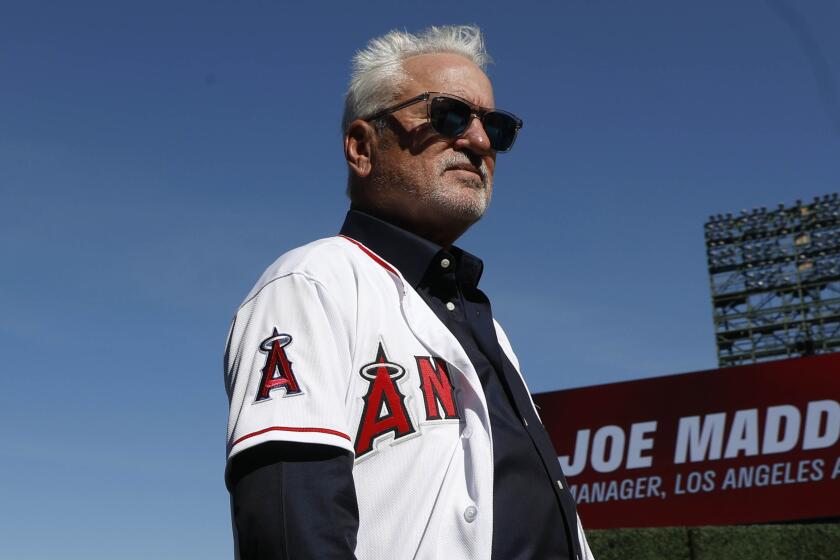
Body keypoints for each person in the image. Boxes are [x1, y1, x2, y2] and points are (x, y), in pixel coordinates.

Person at [224, 25, 594, 560]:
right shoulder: (312, 282)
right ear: (362, 147)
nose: (480, 141)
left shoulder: (481, 318)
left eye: (497, 126)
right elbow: (289, 525)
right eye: (448, 114)